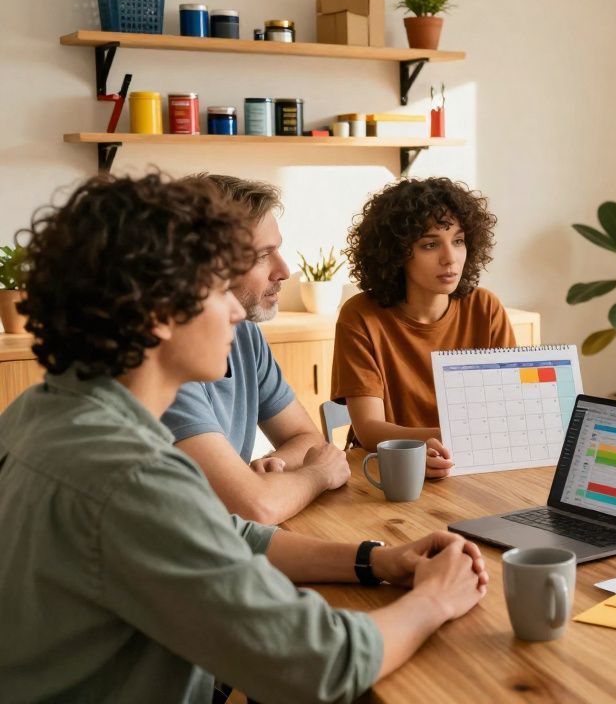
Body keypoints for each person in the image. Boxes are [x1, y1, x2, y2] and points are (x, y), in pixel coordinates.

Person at [0, 173, 488, 702]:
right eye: (217, 288)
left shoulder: (41, 411)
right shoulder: (131, 477)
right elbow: (313, 663)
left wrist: (378, 560)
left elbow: (219, 533)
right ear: (162, 312)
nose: (236, 310)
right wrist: (435, 600)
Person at [161, 174, 349, 525]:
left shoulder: (245, 334)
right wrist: (315, 475)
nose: (284, 270)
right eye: (264, 255)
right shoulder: (170, 362)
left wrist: (276, 467)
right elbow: (252, 508)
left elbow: (305, 438)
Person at [334, 177, 515, 477]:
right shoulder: (360, 317)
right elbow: (368, 429)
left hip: (473, 470)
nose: (450, 258)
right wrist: (444, 440)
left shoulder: (486, 309)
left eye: (458, 241)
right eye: (430, 244)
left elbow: (507, 412)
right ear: (396, 253)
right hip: (389, 473)